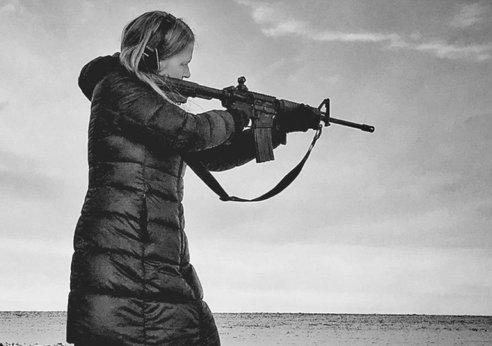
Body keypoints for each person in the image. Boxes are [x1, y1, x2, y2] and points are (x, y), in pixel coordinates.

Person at [68, 10, 320, 346]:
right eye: (183, 62)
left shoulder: (147, 105)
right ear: (151, 56)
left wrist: (276, 129)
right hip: (128, 253)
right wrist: (238, 113)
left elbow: (212, 156)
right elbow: (193, 132)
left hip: (151, 249)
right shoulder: (120, 90)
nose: (189, 72)